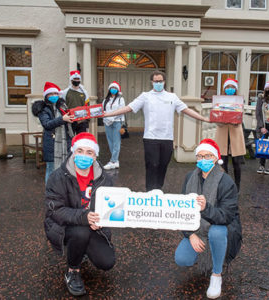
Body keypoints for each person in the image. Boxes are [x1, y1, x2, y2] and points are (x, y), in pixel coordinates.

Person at [104, 70, 209, 191]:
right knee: (152, 165)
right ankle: (150, 190)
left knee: (163, 165)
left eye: (160, 81)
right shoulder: (145, 96)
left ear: (164, 82)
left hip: (167, 138)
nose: (158, 83)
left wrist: (204, 119)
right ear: (152, 82)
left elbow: (187, 110)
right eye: (156, 81)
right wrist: (109, 114)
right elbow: (128, 108)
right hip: (151, 138)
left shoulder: (172, 97)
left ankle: (158, 188)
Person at [44, 132, 115, 296]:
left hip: (91, 226)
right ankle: (72, 271)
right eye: (80, 151)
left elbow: (109, 208)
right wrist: (84, 217)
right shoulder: (58, 177)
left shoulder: (104, 179)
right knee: (80, 232)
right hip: (63, 225)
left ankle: (80, 250)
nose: (84, 155)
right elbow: (54, 210)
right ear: (73, 152)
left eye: (89, 152)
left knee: (107, 262)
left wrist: (102, 220)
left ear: (95, 156)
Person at [174, 139, 242, 299]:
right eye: (200, 156)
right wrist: (190, 234)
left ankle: (216, 275)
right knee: (182, 258)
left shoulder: (226, 182)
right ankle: (211, 249)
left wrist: (206, 208)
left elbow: (226, 216)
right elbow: (180, 211)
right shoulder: (190, 177)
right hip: (196, 229)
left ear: (216, 158)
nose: (203, 160)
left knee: (217, 233)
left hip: (223, 228)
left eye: (208, 156)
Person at [35, 82, 74, 183]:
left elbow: (67, 125)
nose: (53, 96)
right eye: (51, 94)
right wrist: (62, 119)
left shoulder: (62, 107)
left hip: (65, 144)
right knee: (51, 170)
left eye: (55, 94)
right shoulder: (43, 109)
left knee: (64, 170)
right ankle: (50, 193)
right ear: (46, 95)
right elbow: (47, 124)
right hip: (51, 144)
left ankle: (60, 192)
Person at [214, 78, 246, 191]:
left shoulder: (239, 101)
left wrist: (235, 120)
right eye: (228, 87)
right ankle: (224, 186)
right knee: (222, 162)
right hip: (222, 132)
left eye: (232, 87)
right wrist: (221, 119)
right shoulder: (219, 101)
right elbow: (216, 116)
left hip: (235, 133)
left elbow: (240, 116)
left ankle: (237, 186)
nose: (230, 89)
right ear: (224, 89)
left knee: (237, 162)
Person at [102, 81, 125, 170]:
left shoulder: (120, 99)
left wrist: (111, 117)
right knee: (110, 142)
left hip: (117, 122)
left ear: (118, 90)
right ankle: (115, 161)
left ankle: (112, 161)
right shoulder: (105, 100)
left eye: (115, 88)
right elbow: (102, 110)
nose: (113, 90)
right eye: (112, 88)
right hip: (107, 122)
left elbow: (121, 110)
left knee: (116, 142)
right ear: (109, 89)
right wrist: (107, 118)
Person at [62, 70, 90, 135]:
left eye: (78, 79)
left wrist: (87, 119)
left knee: (81, 139)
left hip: (82, 121)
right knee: (70, 139)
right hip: (70, 120)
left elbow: (87, 106)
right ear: (71, 80)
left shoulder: (84, 92)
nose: (76, 80)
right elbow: (63, 106)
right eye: (75, 79)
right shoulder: (65, 92)